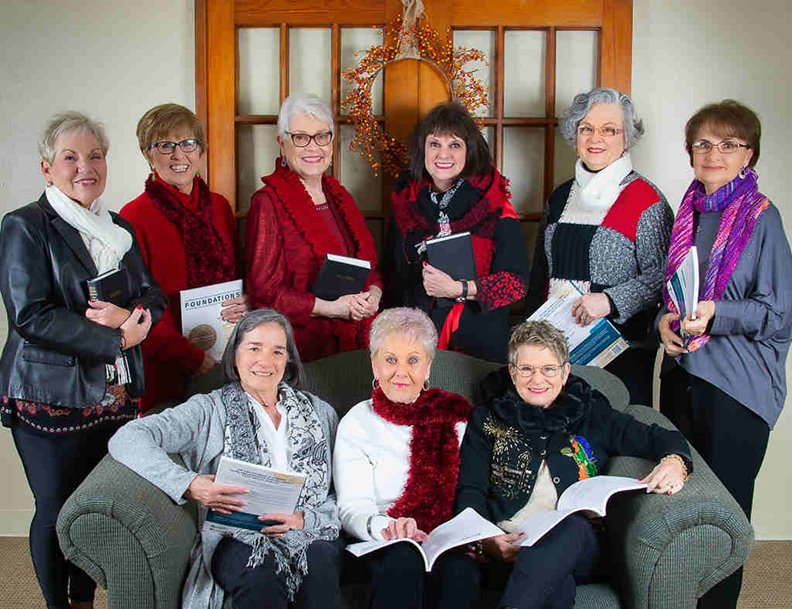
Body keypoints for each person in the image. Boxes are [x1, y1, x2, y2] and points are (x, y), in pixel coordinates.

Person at [0, 111, 166, 609]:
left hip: (112, 395)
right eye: (70, 157)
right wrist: (115, 338)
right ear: (47, 168)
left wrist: (135, 318)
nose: (84, 166)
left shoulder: (119, 228)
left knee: (92, 506)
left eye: (95, 155)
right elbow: (30, 315)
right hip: (48, 396)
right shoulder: (25, 226)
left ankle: (82, 598)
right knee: (54, 509)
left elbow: (151, 295)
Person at [437, 320, 691, 609]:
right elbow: (470, 488)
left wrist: (675, 461)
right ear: (512, 372)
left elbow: (657, 436)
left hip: (574, 544)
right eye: (526, 369)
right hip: (506, 541)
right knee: (555, 590)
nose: (537, 379)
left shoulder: (592, 413)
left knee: (569, 528)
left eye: (548, 369)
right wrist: (488, 539)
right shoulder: (488, 418)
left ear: (565, 372)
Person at [108, 309, 342, 609]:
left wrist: (304, 519)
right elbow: (127, 438)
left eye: (277, 351)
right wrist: (189, 484)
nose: (265, 361)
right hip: (237, 535)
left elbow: (341, 491)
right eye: (254, 348)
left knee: (319, 565)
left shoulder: (321, 413)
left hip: (307, 529)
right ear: (235, 355)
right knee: (262, 575)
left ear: (288, 360)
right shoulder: (208, 410)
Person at [657, 100, 792, 609]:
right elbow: (670, 294)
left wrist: (718, 313)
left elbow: (780, 315)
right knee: (682, 509)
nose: (714, 153)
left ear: (749, 155)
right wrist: (665, 322)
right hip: (682, 375)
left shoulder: (762, 218)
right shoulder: (687, 213)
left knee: (725, 517)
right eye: (704, 144)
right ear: (690, 152)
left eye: (729, 144)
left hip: (738, 389)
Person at [528, 88, 673, 406]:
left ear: (627, 138)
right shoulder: (561, 195)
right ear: (574, 134)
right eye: (586, 128)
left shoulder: (645, 199)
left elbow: (664, 275)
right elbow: (541, 271)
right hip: (557, 350)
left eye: (610, 129)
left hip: (620, 352)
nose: (596, 138)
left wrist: (610, 300)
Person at [333, 307, 473, 609]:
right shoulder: (356, 422)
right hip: (383, 538)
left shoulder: (455, 418)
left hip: (443, 536)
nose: (401, 372)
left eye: (413, 360)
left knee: (461, 571)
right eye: (390, 359)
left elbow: (471, 493)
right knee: (403, 560)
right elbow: (352, 508)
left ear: (428, 367)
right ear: (374, 365)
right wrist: (387, 527)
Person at [121, 103, 249, 413]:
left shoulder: (219, 208)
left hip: (227, 356)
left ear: (201, 150)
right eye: (165, 145)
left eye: (188, 143)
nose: (179, 155)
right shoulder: (132, 217)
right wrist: (192, 358)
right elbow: (137, 305)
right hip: (167, 365)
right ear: (148, 155)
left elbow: (240, 276)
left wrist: (247, 300)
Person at [382, 102, 529, 363]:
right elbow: (393, 278)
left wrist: (459, 289)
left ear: (469, 151)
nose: (443, 154)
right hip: (418, 342)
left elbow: (516, 285)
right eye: (434, 144)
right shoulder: (405, 204)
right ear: (422, 150)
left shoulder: (495, 206)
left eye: (454, 145)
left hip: (479, 341)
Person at [246, 93, 382, 361]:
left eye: (322, 136)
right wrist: (332, 308)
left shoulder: (339, 196)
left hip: (355, 343)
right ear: (282, 144)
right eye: (300, 137)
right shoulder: (267, 203)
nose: (313, 147)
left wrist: (374, 295)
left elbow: (368, 270)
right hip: (302, 351)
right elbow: (265, 294)